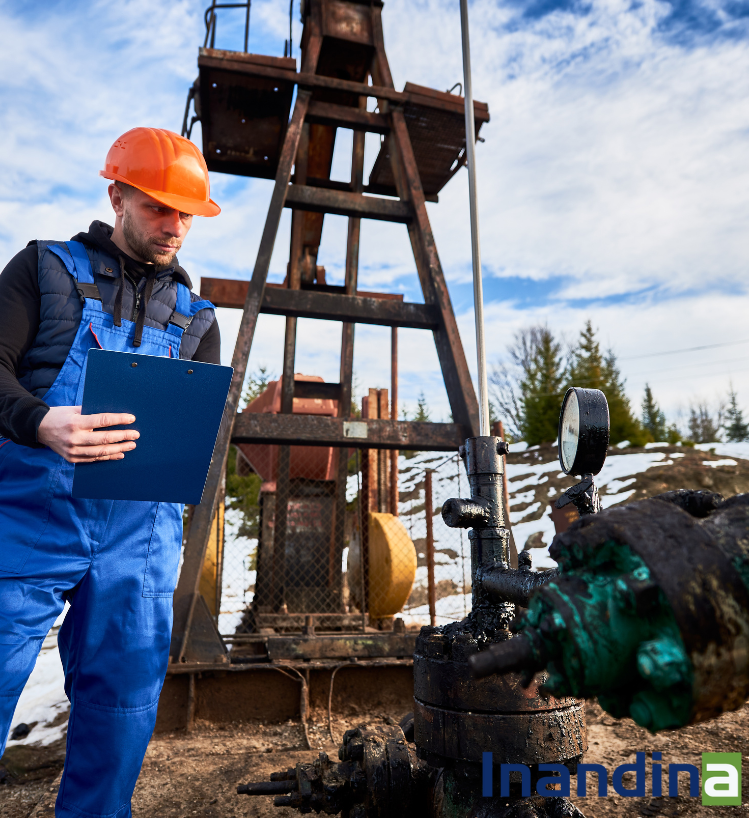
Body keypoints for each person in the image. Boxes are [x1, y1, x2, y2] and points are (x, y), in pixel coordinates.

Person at [0, 127, 221, 817]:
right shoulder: (42, 270)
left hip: (140, 535)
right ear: (117, 194)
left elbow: (198, 431)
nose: (174, 225)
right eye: (158, 206)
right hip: (28, 515)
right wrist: (40, 421)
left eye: (185, 212)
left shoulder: (198, 319)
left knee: (122, 707)